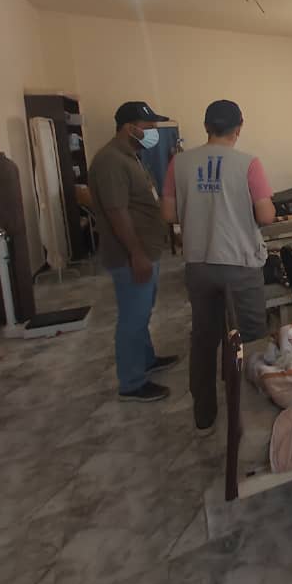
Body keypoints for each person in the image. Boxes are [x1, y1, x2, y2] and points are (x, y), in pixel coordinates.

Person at [161, 100, 276, 434]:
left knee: (204, 338)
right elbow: (266, 215)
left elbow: (168, 214)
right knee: (250, 340)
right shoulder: (248, 164)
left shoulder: (179, 163)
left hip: (198, 264)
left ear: (206, 127)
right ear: (239, 128)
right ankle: (249, 421)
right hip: (239, 264)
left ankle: (205, 415)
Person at [89, 101, 179, 402]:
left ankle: (146, 359)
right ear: (130, 128)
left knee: (143, 312)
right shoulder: (110, 161)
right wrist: (137, 254)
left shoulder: (131, 157)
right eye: (149, 127)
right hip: (131, 255)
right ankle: (131, 382)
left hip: (145, 250)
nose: (153, 133)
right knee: (132, 317)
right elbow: (117, 212)